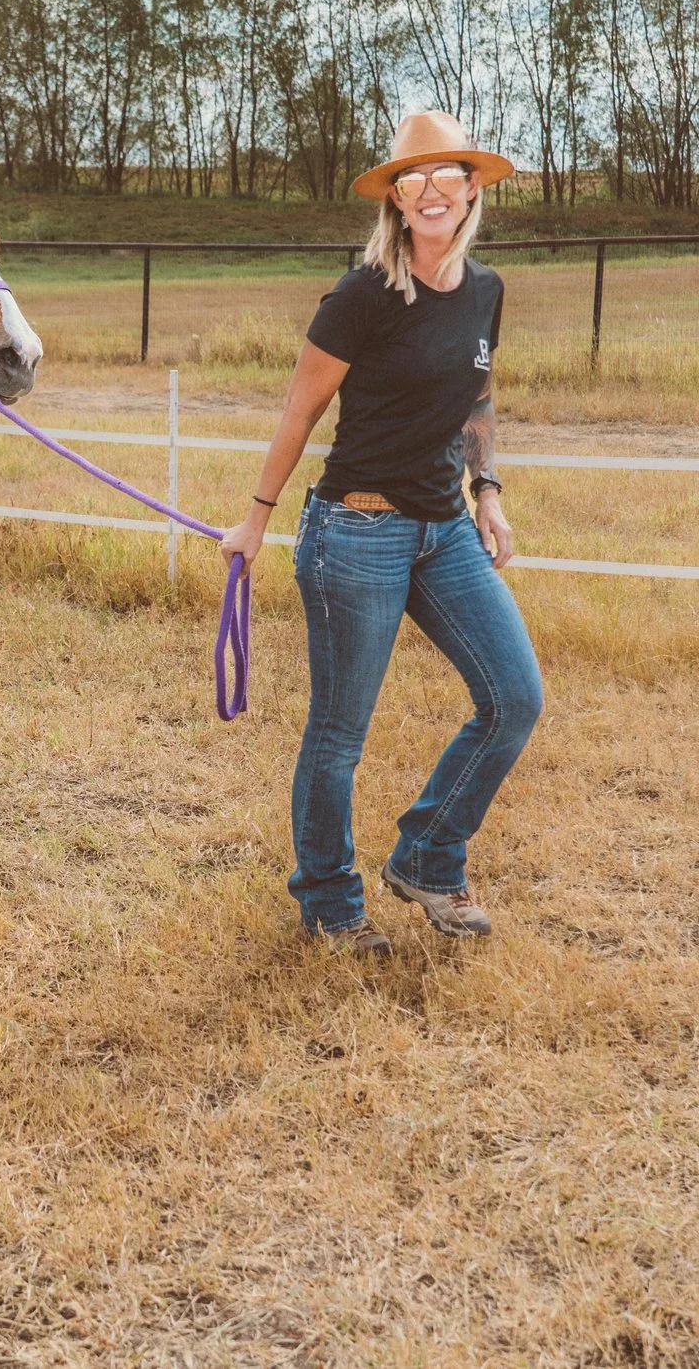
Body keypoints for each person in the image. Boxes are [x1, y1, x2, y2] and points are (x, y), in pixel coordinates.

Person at [219, 111, 544, 952]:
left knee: (514, 697)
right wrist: (255, 519)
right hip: (355, 530)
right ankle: (329, 903)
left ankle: (430, 856)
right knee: (339, 734)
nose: (431, 191)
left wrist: (489, 488)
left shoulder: (486, 290)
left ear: (472, 187)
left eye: (447, 175)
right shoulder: (362, 295)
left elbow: (476, 392)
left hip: (444, 530)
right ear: (396, 200)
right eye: (414, 178)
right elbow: (301, 409)